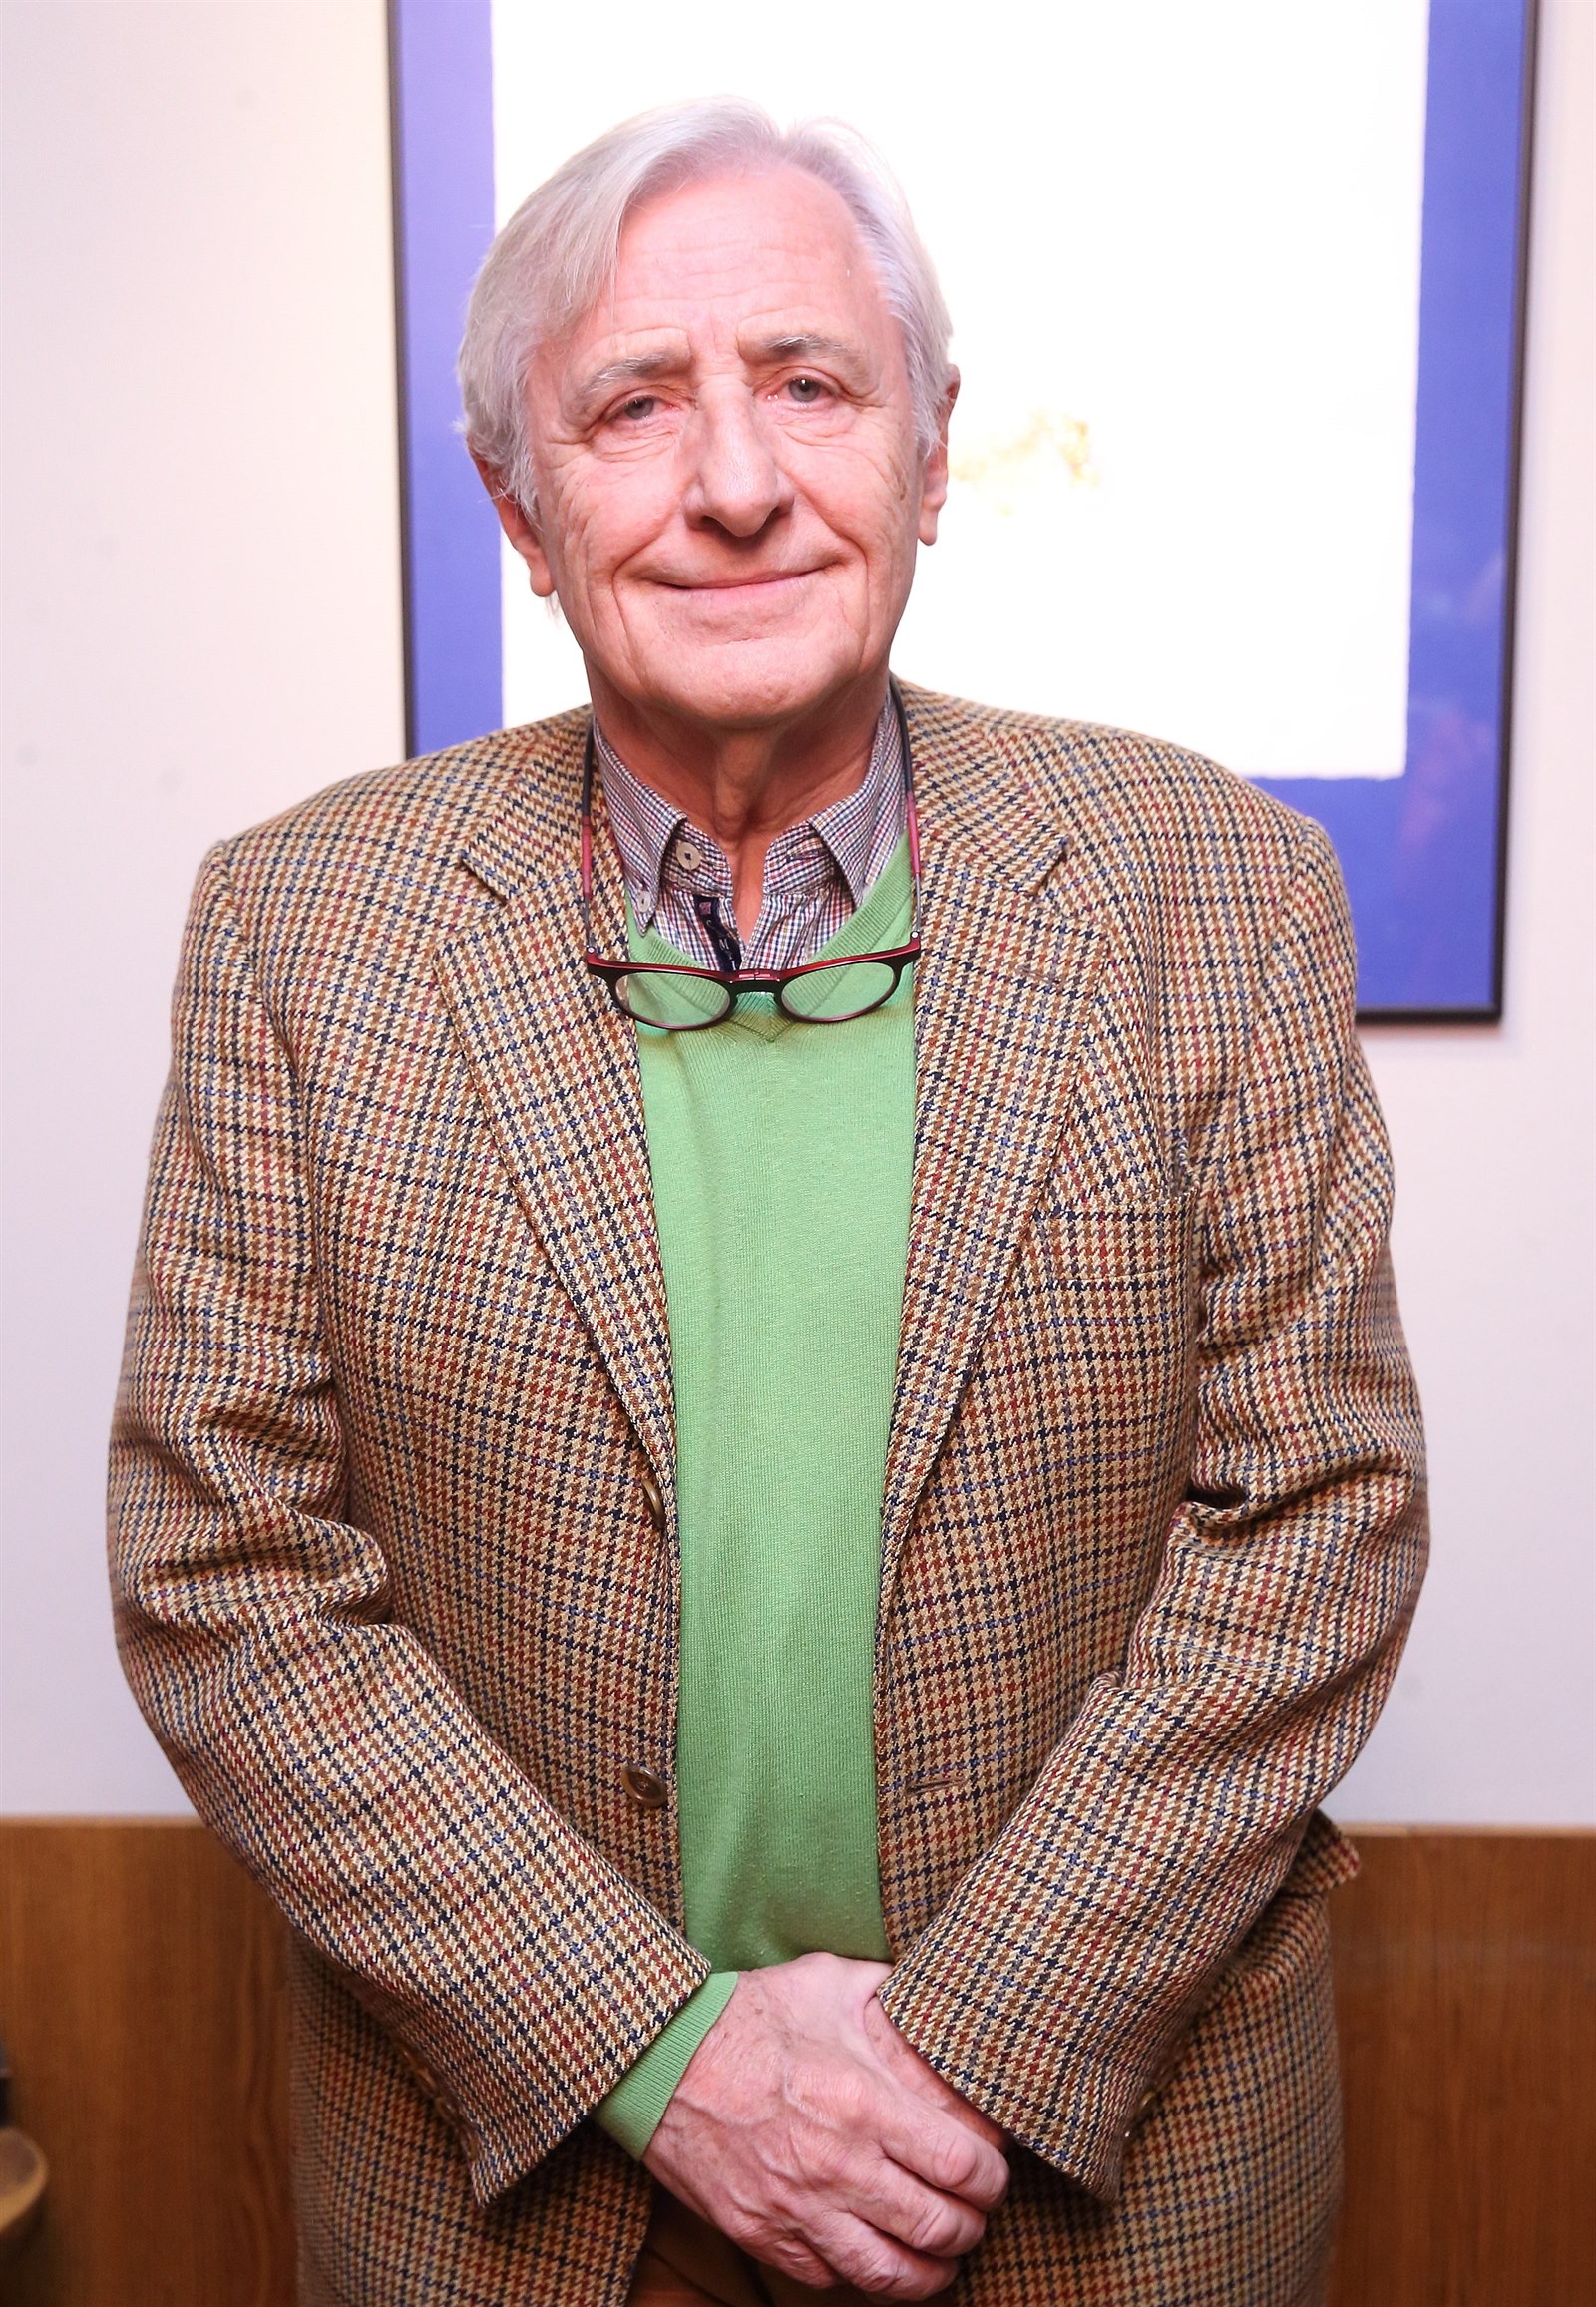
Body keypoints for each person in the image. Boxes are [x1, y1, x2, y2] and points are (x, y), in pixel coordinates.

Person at [109, 98, 1426, 2307]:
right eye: (634, 405)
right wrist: (667, 2056)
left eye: (809, 383)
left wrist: (964, 2046)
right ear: (520, 509)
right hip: (524, 2208)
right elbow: (221, 1568)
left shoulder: (1218, 888)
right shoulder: (297, 928)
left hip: (1104, 2200)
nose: (735, 479)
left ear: (929, 452)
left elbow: (1321, 1513)